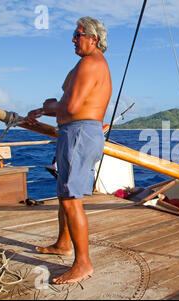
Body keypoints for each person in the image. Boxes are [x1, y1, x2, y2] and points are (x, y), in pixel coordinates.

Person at [24, 17, 112, 284]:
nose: (73, 39)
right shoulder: (89, 64)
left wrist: (48, 108)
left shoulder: (89, 63)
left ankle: (83, 263)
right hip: (77, 132)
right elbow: (69, 102)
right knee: (65, 192)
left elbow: (71, 108)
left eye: (78, 34)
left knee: (71, 198)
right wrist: (47, 108)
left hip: (79, 133)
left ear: (93, 38)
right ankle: (64, 244)